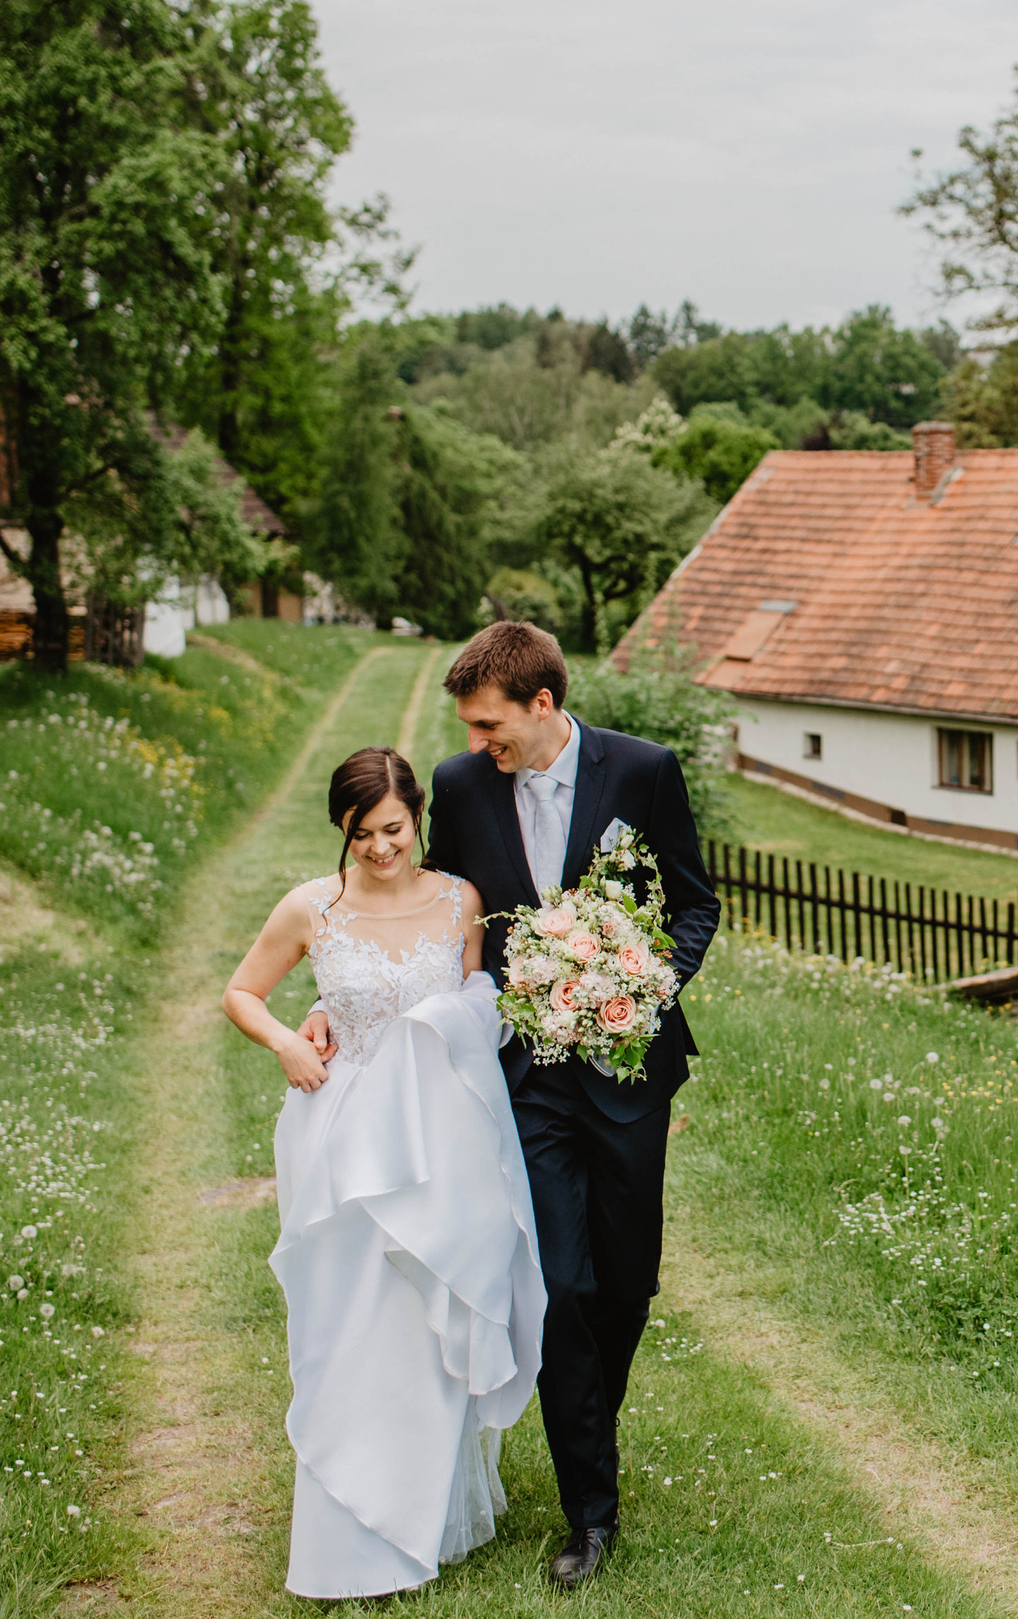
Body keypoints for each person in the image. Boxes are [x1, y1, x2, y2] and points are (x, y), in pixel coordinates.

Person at [304, 621, 718, 1590]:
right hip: (522, 1079)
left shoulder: (643, 771)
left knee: (625, 1284)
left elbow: (695, 900)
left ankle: (587, 1422)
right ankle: (590, 1509)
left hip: (627, 1065)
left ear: (543, 704)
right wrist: (344, 991)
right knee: (561, 1286)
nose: (479, 741)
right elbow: (437, 904)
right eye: (469, 727)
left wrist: (645, 978)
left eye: (492, 723)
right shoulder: (458, 784)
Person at [223, 746, 545, 1601]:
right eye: (361, 833)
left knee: (428, 1314)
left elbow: (484, 1004)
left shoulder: (460, 900)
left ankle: (427, 1511)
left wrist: (451, 1011)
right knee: (351, 1324)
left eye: (393, 829)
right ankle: (347, 1519)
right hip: (342, 1135)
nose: (378, 848)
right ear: (342, 828)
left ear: (418, 821)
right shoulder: (310, 908)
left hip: (441, 1133)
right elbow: (242, 993)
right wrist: (291, 1038)